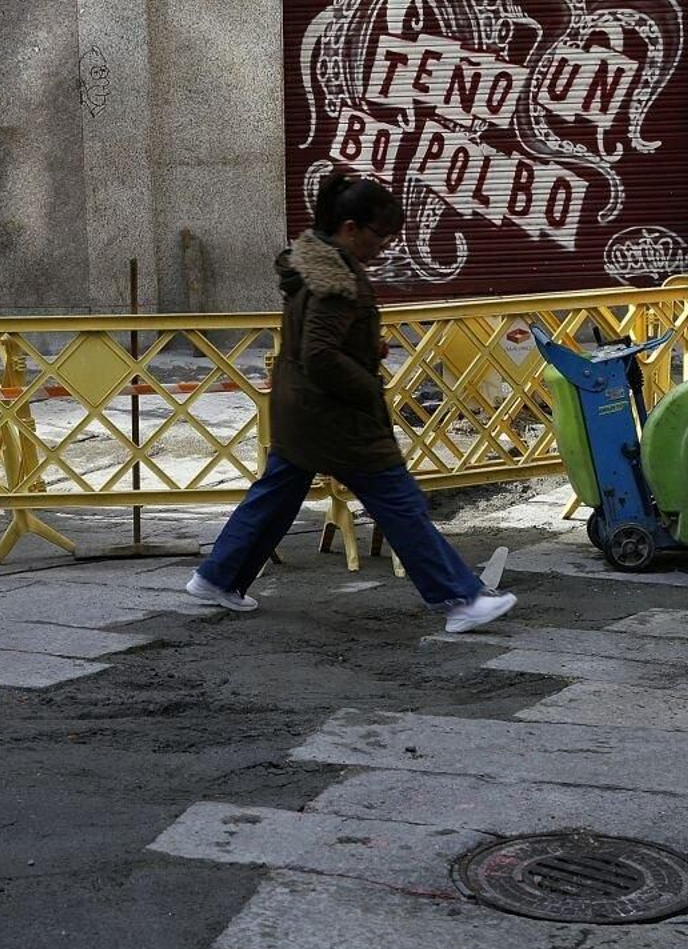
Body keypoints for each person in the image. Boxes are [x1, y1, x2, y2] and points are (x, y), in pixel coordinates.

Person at [186, 174, 518, 633]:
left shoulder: (312, 266)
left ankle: (218, 577)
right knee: (399, 502)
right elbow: (321, 353)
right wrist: (367, 385)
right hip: (337, 417)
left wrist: (364, 347)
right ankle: (461, 598)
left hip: (300, 409)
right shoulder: (337, 280)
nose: (384, 247)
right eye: (381, 236)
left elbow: (317, 340)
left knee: (277, 495)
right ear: (349, 229)